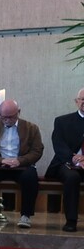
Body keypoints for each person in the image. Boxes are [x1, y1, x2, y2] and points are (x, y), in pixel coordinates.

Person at [0, 99, 44, 228]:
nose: (7, 120)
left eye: (11, 117)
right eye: (4, 117)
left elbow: (37, 150)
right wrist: (0, 160)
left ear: (18, 112)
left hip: (21, 165)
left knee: (30, 178)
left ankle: (25, 216)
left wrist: (20, 161)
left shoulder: (31, 128)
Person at [44, 88, 84, 232]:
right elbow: (59, 144)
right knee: (72, 177)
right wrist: (74, 158)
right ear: (76, 101)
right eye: (83, 99)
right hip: (66, 163)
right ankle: (71, 221)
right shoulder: (62, 121)